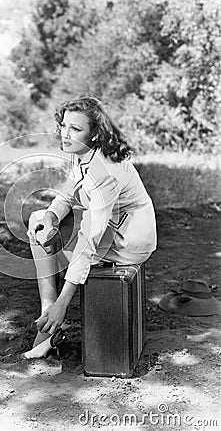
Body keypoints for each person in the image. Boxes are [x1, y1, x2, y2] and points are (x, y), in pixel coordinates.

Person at [24, 97, 157, 358]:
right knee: (38, 222)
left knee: (66, 246)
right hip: (110, 226)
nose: (65, 133)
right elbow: (68, 194)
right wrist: (51, 216)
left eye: (75, 129)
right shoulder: (82, 152)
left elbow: (89, 239)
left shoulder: (104, 172)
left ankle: (51, 323)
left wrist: (65, 303)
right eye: (64, 126)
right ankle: (47, 314)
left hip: (129, 239)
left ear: (95, 134)